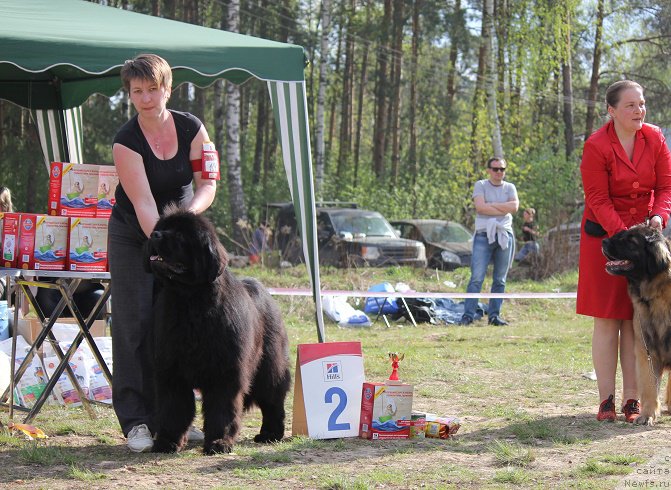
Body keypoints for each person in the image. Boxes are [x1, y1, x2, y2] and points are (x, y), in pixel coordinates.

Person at [108, 54, 217, 452]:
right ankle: (136, 421)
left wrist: (188, 220)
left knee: (176, 326)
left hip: (180, 232)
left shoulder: (192, 128)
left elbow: (207, 184)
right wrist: (171, 240)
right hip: (137, 233)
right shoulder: (126, 140)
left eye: (152, 89)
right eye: (137, 91)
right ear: (130, 95)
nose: (146, 98)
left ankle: (176, 421)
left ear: (167, 88)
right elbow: (144, 207)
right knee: (134, 325)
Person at [577, 79, 671, 423]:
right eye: (630, 105)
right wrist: (627, 238)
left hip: (644, 243)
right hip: (606, 239)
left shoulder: (655, 137)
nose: (639, 110)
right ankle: (606, 400)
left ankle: (635, 399)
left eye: (642, 103)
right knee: (608, 320)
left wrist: (659, 216)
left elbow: (665, 187)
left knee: (637, 322)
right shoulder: (596, 145)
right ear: (611, 111)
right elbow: (598, 200)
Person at [459, 157, 519, 326]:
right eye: (495, 169)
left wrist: (491, 206)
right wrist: (502, 207)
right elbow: (480, 208)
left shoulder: (510, 187)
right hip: (483, 236)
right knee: (477, 277)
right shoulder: (481, 185)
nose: (499, 172)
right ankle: (468, 316)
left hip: (504, 235)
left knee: (500, 279)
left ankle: (494, 316)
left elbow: (514, 208)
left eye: (502, 169)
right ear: (488, 170)